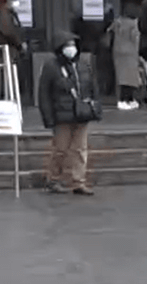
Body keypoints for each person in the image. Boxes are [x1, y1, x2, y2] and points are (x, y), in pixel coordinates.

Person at [38, 31, 101, 195]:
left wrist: (95, 107)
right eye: (67, 45)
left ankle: (78, 181)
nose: (71, 49)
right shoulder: (52, 67)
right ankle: (53, 179)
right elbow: (44, 93)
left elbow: (92, 87)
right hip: (62, 115)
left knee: (80, 149)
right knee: (60, 149)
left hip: (81, 114)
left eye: (73, 45)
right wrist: (48, 117)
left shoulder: (83, 65)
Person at [107, 4, 142, 110]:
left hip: (117, 51)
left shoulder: (117, 22)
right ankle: (127, 99)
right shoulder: (134, 23)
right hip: (130, 52)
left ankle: (123, 99)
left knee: (121, 77)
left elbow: (109, 32)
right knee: (131, 77)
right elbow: (135, 38)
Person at [0, 0, 26, 100]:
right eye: (16, 0)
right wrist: (19, 43)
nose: (17, 3)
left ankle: (7, 96)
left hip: (10, 48)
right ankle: (5, 97)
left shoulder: (9, 13)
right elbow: (8, 31)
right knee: (6, 74)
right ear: (9, 1)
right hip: (6, 48)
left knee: (8, 73)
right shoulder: (4, 13)